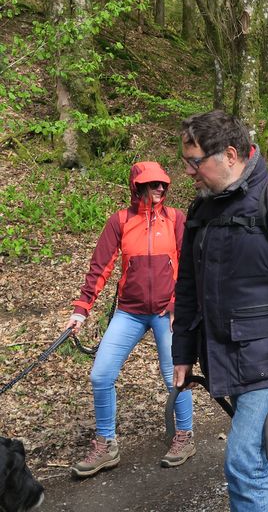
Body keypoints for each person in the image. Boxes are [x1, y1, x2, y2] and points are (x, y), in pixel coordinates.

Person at [171, 110, 268, 512]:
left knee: (243, 460)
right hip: (223, 353)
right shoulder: (201, 209)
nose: (188, 172)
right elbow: (189, 285)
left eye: (194, 162)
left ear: (230, 154)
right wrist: (183, 352)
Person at [66, 162, 194, 478]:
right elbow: (100, 268)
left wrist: (180, 303)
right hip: (130, 312)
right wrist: (81, 310)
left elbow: (191, 266)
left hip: (168, 311)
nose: (160, 189)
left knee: (175, 376)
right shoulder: (120, 221)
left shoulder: (176, 219)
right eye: (153, 184)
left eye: (163, 184)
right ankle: (106, 444)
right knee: (101, 374)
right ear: (137, 187)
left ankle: (185, 436)